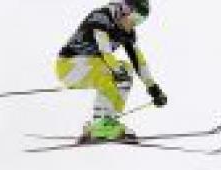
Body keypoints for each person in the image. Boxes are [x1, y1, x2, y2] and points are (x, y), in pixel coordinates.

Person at [55, 0, 168, 141]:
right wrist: (114, 70)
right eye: (135, 18)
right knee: (112, 71)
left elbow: (138, 60)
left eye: (141, 21)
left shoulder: (127, 31)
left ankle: (109, 120)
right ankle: (100, 123)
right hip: (68, 65)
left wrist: (152, 87)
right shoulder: (102, 17)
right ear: (125, 9)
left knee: (126, 69)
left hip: (92, 65)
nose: (135, 23)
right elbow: (104, 49)